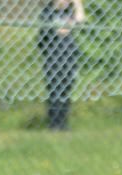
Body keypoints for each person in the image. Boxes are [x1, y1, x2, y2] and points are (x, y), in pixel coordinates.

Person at [37, 0, 86, 131]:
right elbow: (50, 32)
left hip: (68, 57)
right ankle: (54, 124)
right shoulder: (48, 12)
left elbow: (81, 20)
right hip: (52, 57)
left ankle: (63, 124)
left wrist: (77, 3)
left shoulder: (69, 12)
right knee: (54, 89)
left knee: (66, 89)